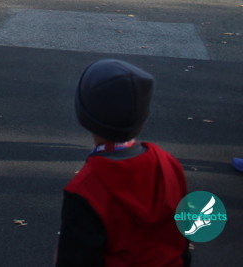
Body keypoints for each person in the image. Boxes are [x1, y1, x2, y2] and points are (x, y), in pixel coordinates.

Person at [56, 59, 189, 266]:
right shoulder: (169, 164)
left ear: (84, 113)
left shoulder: (86, 189)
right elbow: (184, 234)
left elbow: (77, 259)